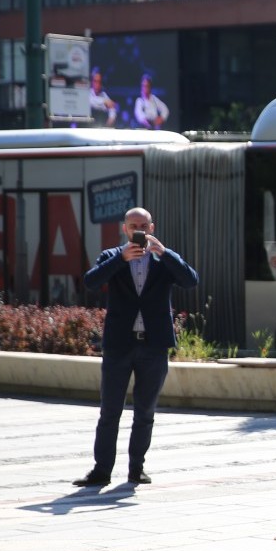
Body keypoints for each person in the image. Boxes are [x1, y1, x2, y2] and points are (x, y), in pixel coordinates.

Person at [74, 207, 199, 487]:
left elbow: (191, 281)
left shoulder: (163, 259)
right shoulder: (111, 256)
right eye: (133, 226)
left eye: (143, 226)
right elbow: (91, 282)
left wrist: (165, 253)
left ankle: (136, 469)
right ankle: (101, 470)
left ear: (151, 228)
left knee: (145, 412)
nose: (139, 231)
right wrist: (121, 258)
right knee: (110, 411)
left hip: (153, 346)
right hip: (119, 345)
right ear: (125, 229)